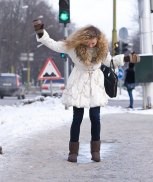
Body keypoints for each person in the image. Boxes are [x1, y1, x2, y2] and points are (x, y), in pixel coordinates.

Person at [33, 19, 140, 163]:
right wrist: (41, 33)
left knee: (95, 118)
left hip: (95, 84)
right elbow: (54, 45)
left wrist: (127, 58)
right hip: (79, 83)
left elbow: (111, 62)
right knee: (77, 118)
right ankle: (73, 152)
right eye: (89, 42)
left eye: (93, 43)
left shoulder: (102, 49)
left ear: (97, 40)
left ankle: (95, 151)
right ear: (82, 39)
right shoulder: (73, 47)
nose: (91, 45)